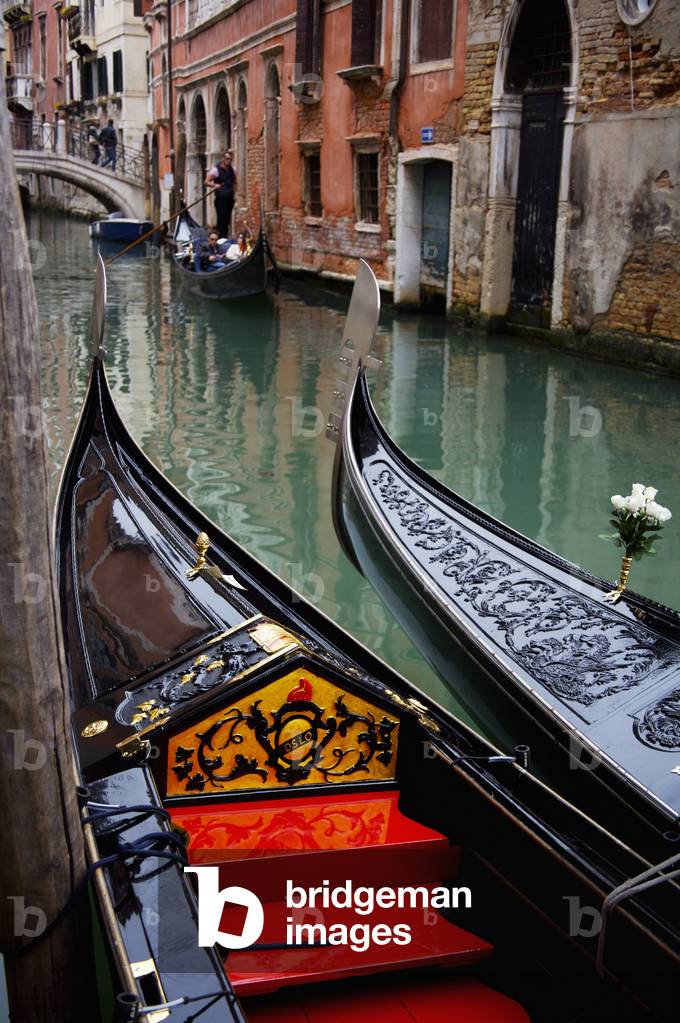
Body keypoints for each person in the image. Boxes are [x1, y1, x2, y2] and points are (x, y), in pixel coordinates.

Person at [204, 151, 237, 239]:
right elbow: (206, 182)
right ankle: (220, 239)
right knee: (221, 220)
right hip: (221, 199)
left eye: (230, 159)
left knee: (227, 221)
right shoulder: (216, 170)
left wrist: (236, 195)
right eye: (227, 159)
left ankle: (224, 238)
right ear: (222, 159)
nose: (229, 161)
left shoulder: (232, 170)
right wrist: (214, 185)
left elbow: (234, 183)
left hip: (229, 198)